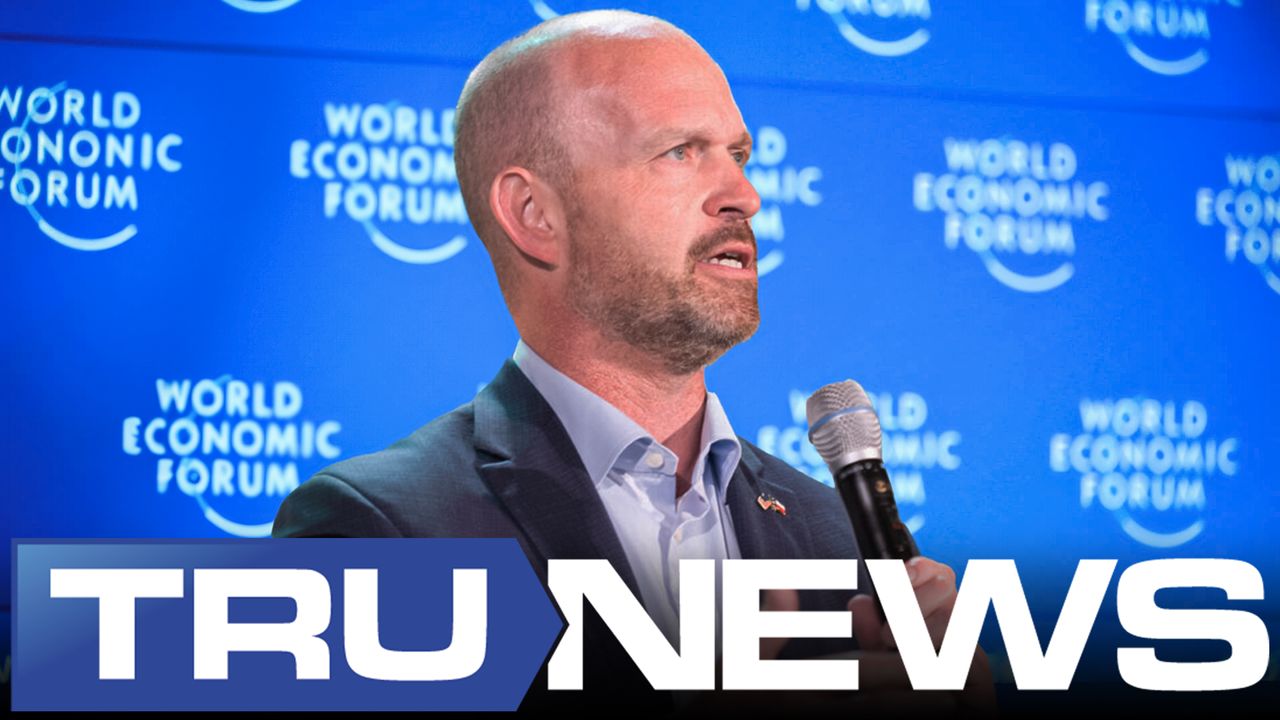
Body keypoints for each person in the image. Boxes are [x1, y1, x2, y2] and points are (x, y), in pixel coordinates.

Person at [273, 9, 991, 713]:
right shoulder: (381, 530)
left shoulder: (836, 540)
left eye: (738, 155)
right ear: (534, 213)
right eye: (679, 152)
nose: (744, 196)